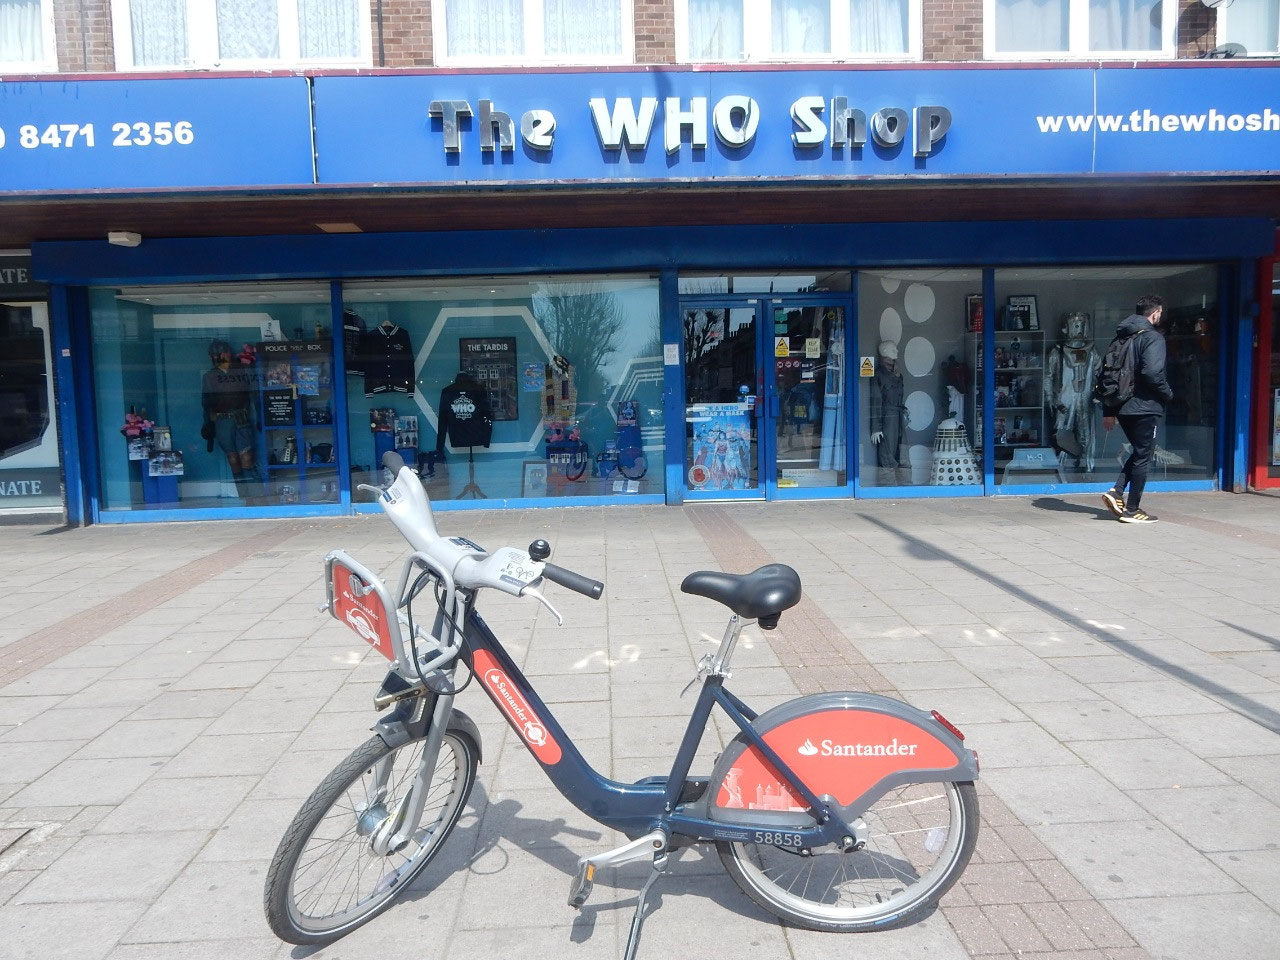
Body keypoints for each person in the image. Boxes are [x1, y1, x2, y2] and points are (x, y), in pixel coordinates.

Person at [1100, 295, 1173, 524]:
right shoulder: (1153, 338)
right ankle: (1132, 509)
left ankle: (1116, 492)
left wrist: (1108, 411)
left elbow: (1106, 375)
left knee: (1141, 452)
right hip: (1144, 406)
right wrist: (1168, 394)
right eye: (1160, 313)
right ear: (1155, 313)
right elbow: (1151, 373)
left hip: (1122, 406)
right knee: (1144, 456)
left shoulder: (1121, 338)